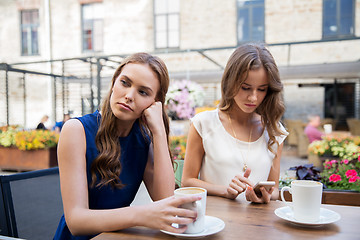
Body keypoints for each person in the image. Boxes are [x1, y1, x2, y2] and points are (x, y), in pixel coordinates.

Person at [53, 53, 200, 240]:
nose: (129, 96)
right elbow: (76, 221)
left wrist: (159, 132)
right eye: (125, 83)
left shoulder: (144, 140)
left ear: (154, 103)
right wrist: (142, 215)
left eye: (143, 92)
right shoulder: (76, 130)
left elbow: (165, 200)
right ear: (114, 83)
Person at [182, 43, 288, 204]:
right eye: (246, 88)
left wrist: (265, 196)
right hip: (215, 223)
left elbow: (275, 191)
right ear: (231, 82)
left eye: (261, 89)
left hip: (259, 224)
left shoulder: (275, 131)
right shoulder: (203, 124)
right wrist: (225, 190)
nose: (253, 97)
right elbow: (187, 181)